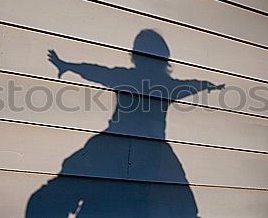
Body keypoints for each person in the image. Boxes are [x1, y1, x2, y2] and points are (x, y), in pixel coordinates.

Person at [26, 29, 224, 218]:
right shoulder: (162, 84)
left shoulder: (138, 79)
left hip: (130, 146)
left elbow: (98, 72)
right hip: (139, 148)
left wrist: (68, 66)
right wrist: (206, 85)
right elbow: (98, 72)